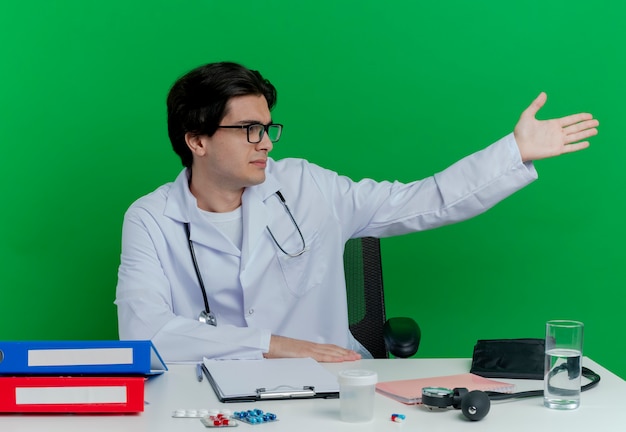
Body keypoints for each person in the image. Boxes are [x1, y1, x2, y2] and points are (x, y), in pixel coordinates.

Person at [115, 61, 598, 363]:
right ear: (196, 140)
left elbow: (424, 200)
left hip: (327, 383)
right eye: (247, 130)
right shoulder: (151, 218)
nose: (264, 143)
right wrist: (277, 345)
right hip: (208, 396)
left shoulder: (307, 186)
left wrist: (513, 152)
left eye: (267, 127)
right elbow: (146, 332)